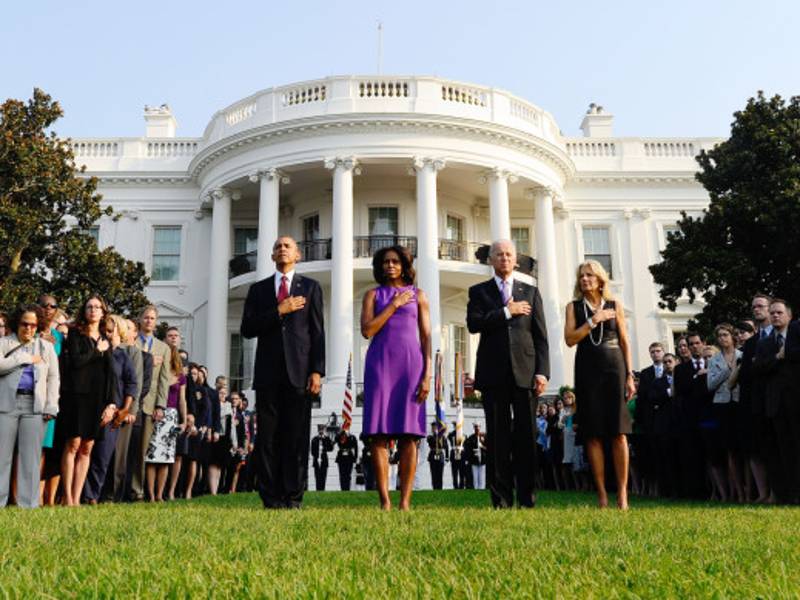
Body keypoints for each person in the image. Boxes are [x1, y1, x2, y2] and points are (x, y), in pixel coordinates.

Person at [241, 236, 325, 509]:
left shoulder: (310, 288)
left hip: (299, 374)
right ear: (272, 256)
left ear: (298, 255)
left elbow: (316, 332)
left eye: (287, 246)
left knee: (296, 437)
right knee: (268, 438)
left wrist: (317, 371)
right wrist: (279, 310)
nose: (282, 249)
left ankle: (293, 495)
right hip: (268, 374)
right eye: (277, 246)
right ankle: (271, 496)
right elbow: (247, 328)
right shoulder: (259, 290)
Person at [468, 239, 549, 508]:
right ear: (491, 260)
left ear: (515, 260)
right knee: (498, 439)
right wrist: (506, 311)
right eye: (499, 255)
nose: (504, 258)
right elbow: (473, 324)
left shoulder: (531, 291)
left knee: (526, 438)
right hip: (493, 374)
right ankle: (501, 499)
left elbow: (540, 336)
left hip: (526, 373)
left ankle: (527, 497)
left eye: (508, 255)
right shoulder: (479, 291)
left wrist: (542, 372)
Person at [360, 245, 431, 510]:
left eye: (395, 261)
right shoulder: (373, 295)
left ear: (404, 265)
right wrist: (393, 305)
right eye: (386, 262)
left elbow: (425, 336)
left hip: (411, 367)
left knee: (409, 435)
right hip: (380, 366)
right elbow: (367, 330)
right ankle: (385, 501)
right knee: (378, 434)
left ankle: (405, 501)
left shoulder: (419, 295)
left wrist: (427, 375)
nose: (390, 266)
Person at [564, 260, 634, 509]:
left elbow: (625, 340)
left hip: (614, 367)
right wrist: (594, 320)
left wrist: (629, 375)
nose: (585, 279)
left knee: (618, 432)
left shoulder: (615, 305)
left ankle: (623, 494)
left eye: (590, 275)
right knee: (592, 434)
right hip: (587, 370)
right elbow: (570, 339)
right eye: (581, 275)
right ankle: (602, 494)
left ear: (600, 280)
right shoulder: (573, 307)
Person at [0, 305, 60, 508]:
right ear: (17, 323)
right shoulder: (4, 343)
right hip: (7, 404)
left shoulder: (46, 347)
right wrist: (25, 358)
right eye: (25, 324)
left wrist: (52, 405)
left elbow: (54, 378)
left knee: (31, 458)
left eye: (34, 325)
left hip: (35, 405)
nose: (29, 328)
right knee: (2, 456)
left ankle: (28, 505)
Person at [58, 295, 114, 506]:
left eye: (97, 307)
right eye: (89, 306)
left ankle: (78, 495)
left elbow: (111, 375)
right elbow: (76, 363)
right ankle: (68, 498)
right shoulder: (75, 334)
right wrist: (95, 351)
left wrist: (111, 403)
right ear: (84, 310)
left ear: (102, 312)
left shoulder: (105, 339)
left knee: (87, 447)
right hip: (76, 397)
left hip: (97, 399)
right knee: (73, 443)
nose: (93, 310)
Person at [84, 315, 138, 505]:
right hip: (91, 408)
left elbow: (132, 384)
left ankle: (91, 496)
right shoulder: (95, 350)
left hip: (113, 414)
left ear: (119, 332)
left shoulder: (123, 356)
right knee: (84, 453)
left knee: (102, 457)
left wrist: (124, 409)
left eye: (110, 330)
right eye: (104, 330)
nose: (106, 334)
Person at [754, 300, 800, 504]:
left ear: (789, 315)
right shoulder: (764, 343)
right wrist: (778, 358)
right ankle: (791, 494)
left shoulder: (797, 333)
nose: (775, 316)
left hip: (798, 401)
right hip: (777, 405)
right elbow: (760, 368)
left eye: (779, 312)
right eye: (772, 313)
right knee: (785, 450)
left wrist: (787, 354)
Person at [132, 305, 170, 501]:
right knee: (125, 448)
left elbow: (164, 380)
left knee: (141, 450)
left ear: (156, 322)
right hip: (129, 401)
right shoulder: (131, 341)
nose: (149, 321)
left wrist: (160, 406)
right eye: (146, 317)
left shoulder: (163, 348)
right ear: (140, 320)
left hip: (149, 404)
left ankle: (137, 490)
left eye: (152, 318)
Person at [144, 343, 186, 502]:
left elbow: (182, 400)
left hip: (171, 416)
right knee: (152, 456)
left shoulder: (180, 376)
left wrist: (184, 419)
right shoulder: (156, 370)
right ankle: (151, 494)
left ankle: (161, 494)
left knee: (166, 458)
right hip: (156, 412)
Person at [707, 323, 744, 503]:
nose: (723, 338)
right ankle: (734, 492)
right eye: (720, 335)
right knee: (728, 450)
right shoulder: (714, 360)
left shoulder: (742, 355)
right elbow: (710, 385)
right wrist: (727, 371)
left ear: (732, 337)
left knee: (741, 449)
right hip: (721, 404)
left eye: (726, 335)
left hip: (739, 403)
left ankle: (746, 490)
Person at [115, 319, 151, 502]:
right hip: (112, 407)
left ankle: (119, 493)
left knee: (124, 456)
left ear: (134, 333)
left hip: (128, 410)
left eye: (128, 328)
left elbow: (137, 385)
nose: (123, 331)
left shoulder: (137, 354)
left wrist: (130, 410)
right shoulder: (114, 350)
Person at [673, 332, 711, 499]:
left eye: (697, 343)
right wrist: (698, 377)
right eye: (691, 344)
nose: (695, 346)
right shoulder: (680, 369)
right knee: (692, 454)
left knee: (712, 453)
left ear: (703, 343)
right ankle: (697, 491)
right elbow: (682, 389)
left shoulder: (712, 362)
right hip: (690, 417)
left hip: (710, 414)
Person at [36, 294, 65, 506]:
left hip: (52, 398)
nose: (48, 308)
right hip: (31, 395)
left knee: (46, 449)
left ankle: (43, 496)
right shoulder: (29, 330)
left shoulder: (59, 337)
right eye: (44, 305)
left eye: (52, 306)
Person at [635, 342, 665, 496]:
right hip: (650, 420)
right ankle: (653, 489)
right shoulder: (645, 373)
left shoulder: (670, 369)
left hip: (666, 418)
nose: (655, 354)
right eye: (652, 352)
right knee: (651, 454)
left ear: (663, 352)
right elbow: (641, 397)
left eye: (658, 351)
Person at [463, 422, 487, 490]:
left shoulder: (484, 437)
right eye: (476, 427)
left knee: (481, 478)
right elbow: (467, 448)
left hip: (482, 460)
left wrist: (482, 446)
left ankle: (481, 490)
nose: (477, 429)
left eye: (478, 427)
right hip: (474, 460)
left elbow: (488, 448)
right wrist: (472, 453)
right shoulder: (471, 438)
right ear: (474, 428)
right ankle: (476, 490)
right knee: (475, 478)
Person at [426, 422, 449, 490]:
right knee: (433, 473)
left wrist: (447, 457)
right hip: (433, 455)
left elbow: (446, 446)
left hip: (440, 455)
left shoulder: (442, 437)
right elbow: (431, 442)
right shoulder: (430, 437)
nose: (434, 429)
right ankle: (434, 487)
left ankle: (440, 487)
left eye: (435, 427)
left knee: (440, 473)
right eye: (433, 428)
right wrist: (437, 435)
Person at [311, 425, 333, 491]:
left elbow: (330, 448)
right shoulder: (314, 439)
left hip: (324, 460)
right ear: (318, 430)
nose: (321, 431)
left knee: (323, 477)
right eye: (320, 430)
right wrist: (317, 454)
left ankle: (322, 490)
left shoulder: (326, 438)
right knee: (317, 477)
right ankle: (318, 490)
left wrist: (324, 448)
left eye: (322, 430)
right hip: (317, 460)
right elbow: (312, 451)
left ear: (323, 430)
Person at [447, 422, 466, 489]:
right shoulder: (451, 434)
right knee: (454, 473)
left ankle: (461, 486)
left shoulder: (463, 435)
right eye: (455, 426)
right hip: (454, 454)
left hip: (461, 455)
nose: (456, 427)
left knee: (462, 473)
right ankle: (455, 486)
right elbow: (449, 437)